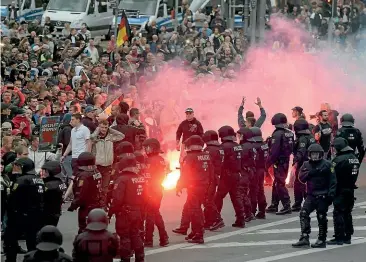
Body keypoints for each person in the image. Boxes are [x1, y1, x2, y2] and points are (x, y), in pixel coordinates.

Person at [292, 143, 337, 248]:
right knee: (303, 213)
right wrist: (310, 173)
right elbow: (301, 178)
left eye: (316, 154)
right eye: (313, 154)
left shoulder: (328, 164)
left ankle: (322, 239)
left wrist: (331, 194)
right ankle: (304, 237)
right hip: (311, 195)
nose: (315, 156)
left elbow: (333, 180)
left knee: (321, 216)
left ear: (321, 154)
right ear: (309, 154)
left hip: (323, 195)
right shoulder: (306, 165)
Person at [4, 158, 45, 262]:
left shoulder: (21, 180)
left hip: (20, 215)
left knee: (10, 240)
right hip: (36, 216)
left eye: (18, 166)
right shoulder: (39, 179)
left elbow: (12, 198)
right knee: (32, 241)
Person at [176, 135, 213, 244]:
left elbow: (185, 174)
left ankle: (198, 234)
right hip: (204, 186)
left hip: (194, 187)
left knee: (195, 210)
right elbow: (211, 172)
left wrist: (179, 185)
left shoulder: (190, 157)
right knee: (192, 208)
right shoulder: (206, 155)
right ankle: (194, 231)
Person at [108, 155, 146, 262]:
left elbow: (117, 199)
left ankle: (125, 259)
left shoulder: (121, 180)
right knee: (135, 234)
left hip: (125, 213)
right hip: (137, 211)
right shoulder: (140, 178)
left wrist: (110, 213)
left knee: (125, 237)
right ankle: (140, 257)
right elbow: (146, 197)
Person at [328, 138, 360, 245]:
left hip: (340, 189)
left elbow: (331, 176)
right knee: (347, 212)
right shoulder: (354, 158)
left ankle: (339, 237)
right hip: (350, 189)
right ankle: (348, 236)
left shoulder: (337, 160)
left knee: (338, 213)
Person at [215, 125, 245, 227]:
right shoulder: (237, 146)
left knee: (218, 197)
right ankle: (241, 219)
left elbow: (221, 162)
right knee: (236, 197)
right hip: (237, 174)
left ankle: (216, 219)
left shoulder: (223, 147)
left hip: (227, 175)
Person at [142, 138, 169, 247]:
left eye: (147, 147)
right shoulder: (161, 159)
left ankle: (149, 239)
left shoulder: (150, 160)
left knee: (150, 215)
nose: (145, 150)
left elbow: (146, 176)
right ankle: (164, 237)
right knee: (155, 213)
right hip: (158, 188)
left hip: (151, 189)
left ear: (152, 147)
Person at [265, 113, 294, 215]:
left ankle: (287, 205)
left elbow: (274, 151)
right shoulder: (290, 133)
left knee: (279, 183)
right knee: (277, 182)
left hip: (278, 162)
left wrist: (267, 163)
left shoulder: (277, 134)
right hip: (286, 160)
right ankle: (274, 204)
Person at [91, 120, 125, 204]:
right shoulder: (96, 138)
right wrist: (97, 130)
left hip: (108, 166)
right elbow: (91, 138)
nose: (104, 129)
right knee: (96, 187)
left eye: (105, 127)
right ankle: (95, 203)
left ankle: (103, 204)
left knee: (105, 188)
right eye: (102, 127)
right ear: (99, 127)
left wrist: (110, 129)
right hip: (97, 166)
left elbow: (122, 136)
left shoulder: (110, 137)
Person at [68, 152, 103, 234]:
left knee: (84, 231)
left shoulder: (83, 176)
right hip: (97, 205)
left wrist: (73, 206)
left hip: (87, 208)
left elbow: (81, 194)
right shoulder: (97, 172)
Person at [291, 119, 316, 212]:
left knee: (298, 183)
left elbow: (301, 151)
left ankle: (298, 204)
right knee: (309, 183)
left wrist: (295, 160)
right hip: (312, 163)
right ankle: (310, 202)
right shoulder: (310, 136)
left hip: (304, 164)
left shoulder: (303, 138)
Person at [202, 130, 225, 231]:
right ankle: (208, 221)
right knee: (209, 199)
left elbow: (206, 164)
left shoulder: (209, 150)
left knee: (207, 200)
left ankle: (217, 219)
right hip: (217, 177)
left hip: (210, 177)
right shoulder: (220, 148)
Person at [237, 127, 256, 222]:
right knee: (246, 192)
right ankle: (249, 213)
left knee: (242, 193)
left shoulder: (244, 147)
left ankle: (248, 213)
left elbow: (240, 160)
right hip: (250, 171)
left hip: (244, 172)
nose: (238, 137)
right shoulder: (251, 145)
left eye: (239, 135)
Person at [248, 127, 268, 219]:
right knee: (260, 190)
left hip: (255, 170)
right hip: (262, 169)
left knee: (253, 190)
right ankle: (262, 210)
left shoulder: (254, 146)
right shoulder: (264, 144)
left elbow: (253, 159)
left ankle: (252, 211)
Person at [41, 161, 67, 226]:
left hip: (47, 212)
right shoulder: (60, 182)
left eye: (45, 171)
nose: (43, 173)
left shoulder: (49, 185)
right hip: (57, 210)